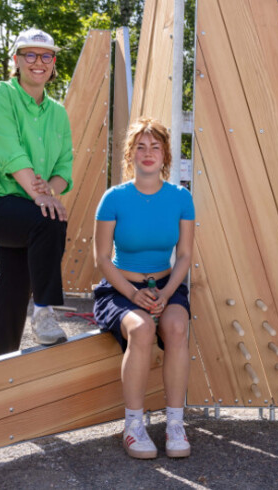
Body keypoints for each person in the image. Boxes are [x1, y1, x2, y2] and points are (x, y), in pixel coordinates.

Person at [0, 28, 73, 356]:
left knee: (11, 292)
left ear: (53, 63)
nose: (37, 62)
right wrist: (40, 196)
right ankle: (44, 314)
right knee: (50, 221)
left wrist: (47, 191)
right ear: (16, 60)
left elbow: (64, 168)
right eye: (30, 54)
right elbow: (8, 152)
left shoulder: (57, 113)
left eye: (45, 56)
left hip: (29, 209)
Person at [92, 118, 195, 460]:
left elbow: (184, 256)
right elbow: (102, 258)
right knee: (142, 327)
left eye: (155, 146)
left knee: (177, 326)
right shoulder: (114, 198)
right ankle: (134, 426)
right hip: (121, 287)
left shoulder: (181, 197)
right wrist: (135, 295)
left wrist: (165, 295)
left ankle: (175, 424)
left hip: (166, 285)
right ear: (130, 153)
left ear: (165, 154)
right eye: (140, 146)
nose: (148, 153)